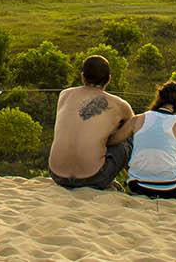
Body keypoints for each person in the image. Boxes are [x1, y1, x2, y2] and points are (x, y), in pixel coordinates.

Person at [48, 55, 134, 189]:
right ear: (109, 79)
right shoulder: (120, 105)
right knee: (128, 136)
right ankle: (136, 181)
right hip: (94, 178)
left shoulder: (64, 95)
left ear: (82, 76)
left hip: (57, 175)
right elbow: (133, 129)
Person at [122, 81, 176, 203]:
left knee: (129, 139)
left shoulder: (137, 119)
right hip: (172, 190)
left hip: (137, 187)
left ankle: (123, 178)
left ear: (160, 98)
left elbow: (115, 140)